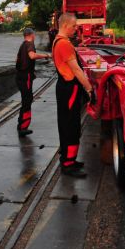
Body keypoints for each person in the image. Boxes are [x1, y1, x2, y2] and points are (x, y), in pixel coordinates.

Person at [52, 13, 91, 177]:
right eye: (74, 26)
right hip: (69, 88)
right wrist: (89, 88)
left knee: (66, 123)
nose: (76, 29)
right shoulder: (64, 44)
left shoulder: (58, 41)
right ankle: (68, 164)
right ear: (66, 25)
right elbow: (75, 70)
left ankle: (69, 159)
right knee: (71, 125)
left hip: (64, 87)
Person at [15, 27, 51, 137]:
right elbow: (32, 55)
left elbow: (17, 59)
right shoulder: (30, 44)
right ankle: (23, 127)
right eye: (34, 34)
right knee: (27, 100)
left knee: (26, 99)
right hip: (26, 76)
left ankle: (20, 124)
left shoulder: (23, 44)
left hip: (20, 76)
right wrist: (46, 55)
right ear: (31, 35)